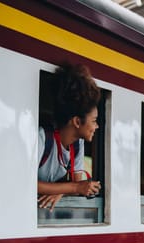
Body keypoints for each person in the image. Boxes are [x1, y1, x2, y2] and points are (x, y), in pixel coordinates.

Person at [38, 63, 102, 211]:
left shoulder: (78, 144)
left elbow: (76, 182)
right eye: (94, 121)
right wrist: (74, 187)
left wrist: (62, 190)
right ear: (77, 122)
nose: (97, 127)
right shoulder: (42, 137)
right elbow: (27, 183)